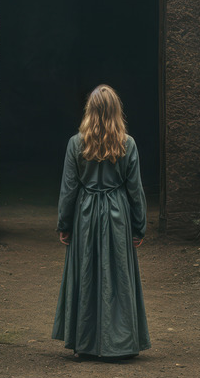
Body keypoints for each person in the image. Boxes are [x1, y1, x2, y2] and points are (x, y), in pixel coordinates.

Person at [52, 84, 151, 360]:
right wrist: (139, 225)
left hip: (85, 214)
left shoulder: (76, 143)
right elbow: (135, 190)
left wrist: (65, 223)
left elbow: (69, 188)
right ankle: (120, 343)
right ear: (116, 111)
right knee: (118, 276)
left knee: (86, 273)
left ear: (90, 111)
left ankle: (85, 343)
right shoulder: (127, 144)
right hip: (117, 214)